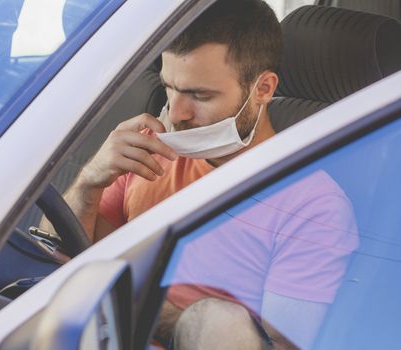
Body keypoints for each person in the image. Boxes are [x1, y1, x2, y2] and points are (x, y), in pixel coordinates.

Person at [59, 0, 358, 349]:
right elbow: (56, 259)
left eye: (199, 95)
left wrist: (141, 306)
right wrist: (89, 182)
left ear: (263, 89)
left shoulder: (313, 204)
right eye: (170, 87)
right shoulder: (149, 149)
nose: (177, 113)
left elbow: (278, 345)